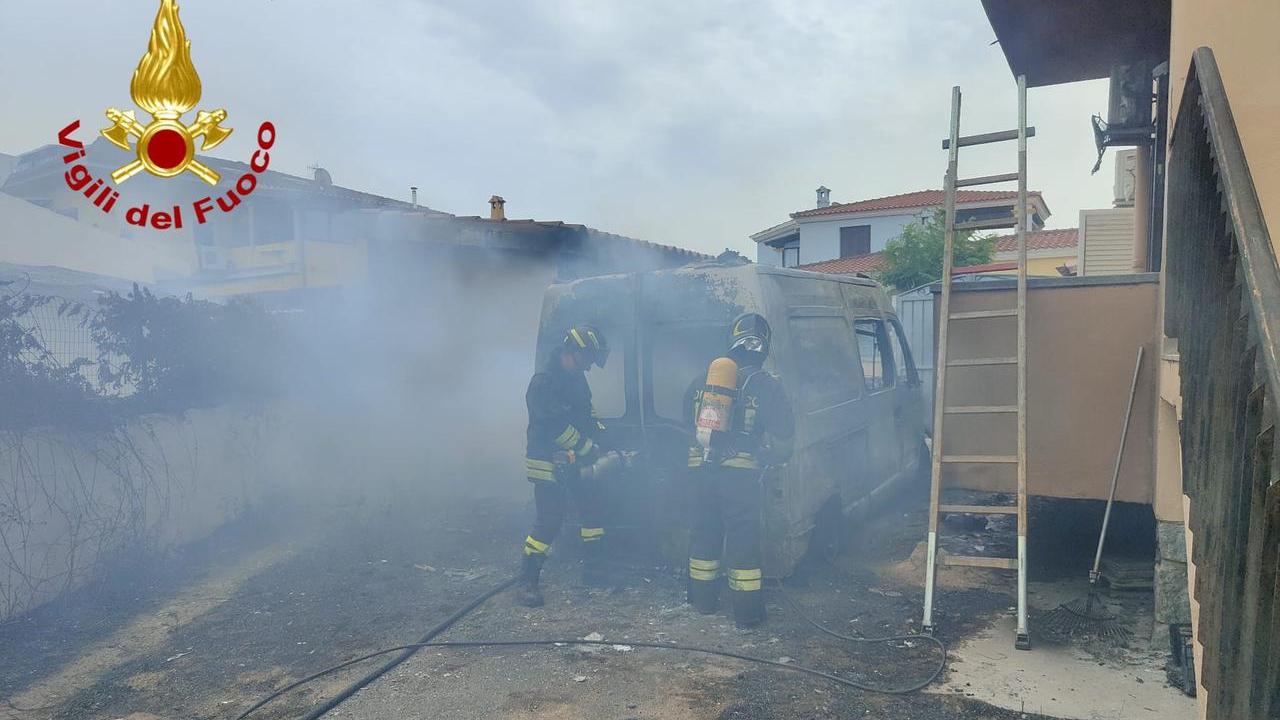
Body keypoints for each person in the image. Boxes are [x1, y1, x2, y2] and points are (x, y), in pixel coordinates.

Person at [684, 312, 795, 627]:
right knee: (743, 542)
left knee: (704, 536)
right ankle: (747, 616)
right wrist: (774, 457)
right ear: (764, 348)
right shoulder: (765, 385)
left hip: (699, 473)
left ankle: (703, 604)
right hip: (739, 477)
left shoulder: (702, 382)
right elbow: (786, 432)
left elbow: (686, 424)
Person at [516, 324, 629, 608]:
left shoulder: (577, 380)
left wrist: (604, 436)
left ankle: (594, 571)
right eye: (589, 358)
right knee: (550, 520)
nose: (591, 366)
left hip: (576, 459)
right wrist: (587, 448)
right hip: (547, 461)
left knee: (593, 509)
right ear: (574, 352)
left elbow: (588, 416)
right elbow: (555, 426)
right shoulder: (544, 382)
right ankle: (527, 581)